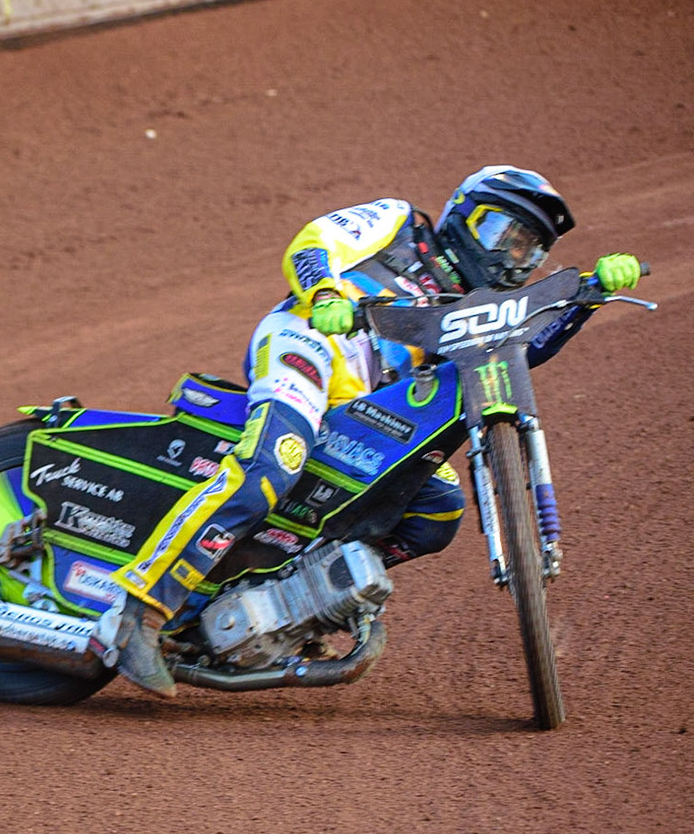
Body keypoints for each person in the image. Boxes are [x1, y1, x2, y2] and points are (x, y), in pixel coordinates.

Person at [100, 166, 644, 696]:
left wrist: (591, 295)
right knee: (274, 463)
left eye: (529, 250)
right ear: (465, 215)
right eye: (502, 233)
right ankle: (138, 611)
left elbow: (527, 349)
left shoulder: (485, 310)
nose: (510, 256)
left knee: (436, 512)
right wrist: (326, 296)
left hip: (369, 406)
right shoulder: (399, 222)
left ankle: (295, 601)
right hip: (310, 344)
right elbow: (315, 242)